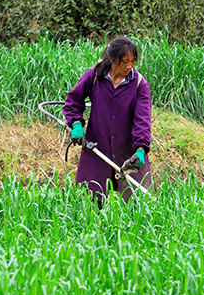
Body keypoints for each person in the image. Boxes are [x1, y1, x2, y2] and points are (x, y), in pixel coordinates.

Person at [63, 36, 153, 206]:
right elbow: (74, 100)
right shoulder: (95, 75)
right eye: (124, 61)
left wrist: (141, 149)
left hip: (128, 152)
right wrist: (76, 124)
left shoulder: (140, 84)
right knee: (89, 205)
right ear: (111, 59)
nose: (129, 66)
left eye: (133, 61)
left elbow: (142, 121)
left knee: (138, 206)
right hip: (97, 148)